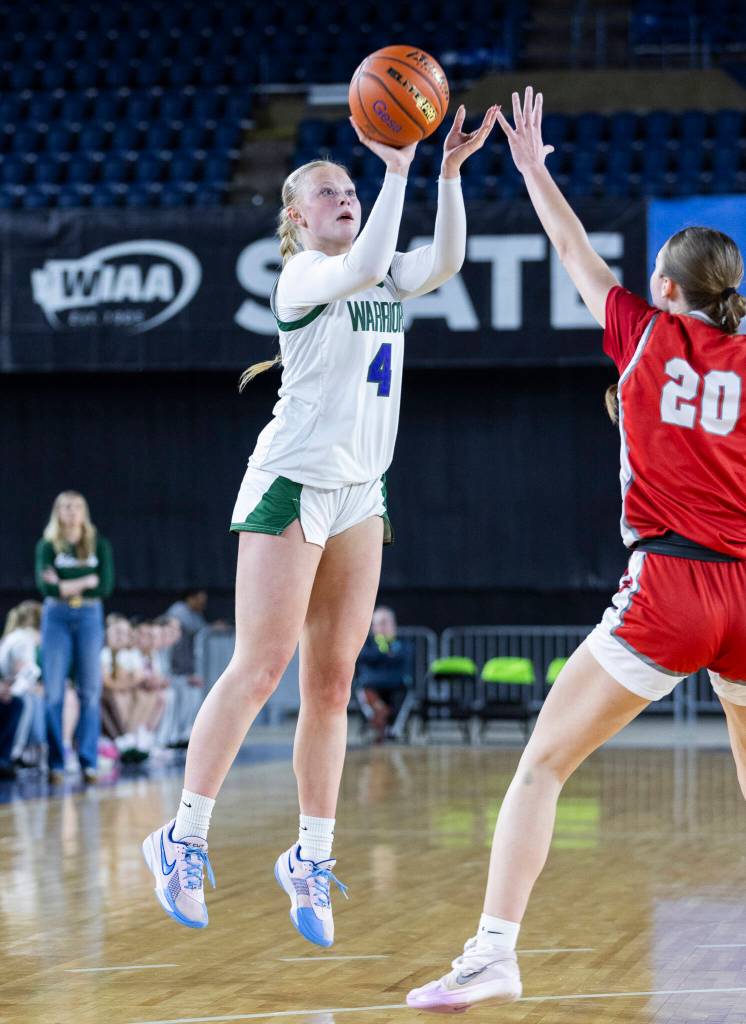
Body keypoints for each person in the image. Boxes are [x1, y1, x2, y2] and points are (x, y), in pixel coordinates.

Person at [407, 86, 746, 1013]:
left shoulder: (644, 337)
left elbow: (570, 249)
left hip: (671, 585)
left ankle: (492, 952)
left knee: (543, 765)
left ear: (668, 289)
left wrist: (530, 169)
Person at [142, 103, 499, 939]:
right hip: (291, 484)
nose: (344, 197)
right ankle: (181, 837)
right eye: (329, 191)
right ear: (296, 217)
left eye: (350, 187)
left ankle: (309, 856)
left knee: (331, 684)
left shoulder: (379, 272)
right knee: (260, 668)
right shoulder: (305, 274)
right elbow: (370, 251)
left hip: (361, 491)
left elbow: (442, 260)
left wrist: (444, 175)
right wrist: (397, 169)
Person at [35, 491, 114, 785]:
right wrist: (84, 581)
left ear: (84, 512)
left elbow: (104, 586)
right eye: (65, 507)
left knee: (90, 691)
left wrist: (65, 583)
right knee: (53, 692)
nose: (71, 512)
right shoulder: (47, 546)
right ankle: (56, 762)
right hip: (56, 617)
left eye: (76, 506)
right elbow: (47, 590)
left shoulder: (99, 545)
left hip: (89, 617)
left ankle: (88, 761)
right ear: (57, 512)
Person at [356, 605, 413, 742]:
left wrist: (380, 656)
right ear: (373, 627)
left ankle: (391, 728)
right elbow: (363, 656)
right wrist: (385, 654)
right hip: (371, 685)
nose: (383, 627)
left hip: (396, 686)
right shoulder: (367, 643)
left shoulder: (402, 643)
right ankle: (380, 719)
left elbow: (404, 656)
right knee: (365, 693)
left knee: (405, 695)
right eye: (380, 623)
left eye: (386, 623)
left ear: (394, 625)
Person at [161, 592, 209, 748]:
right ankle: (166, 737)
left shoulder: (176, 644)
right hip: (168, 682)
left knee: (193, 692)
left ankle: (183, 733)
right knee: (172, 694)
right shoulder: (178, 612)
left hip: (174, 679)